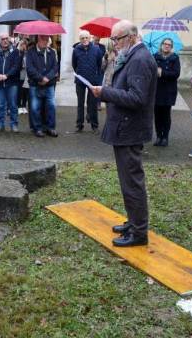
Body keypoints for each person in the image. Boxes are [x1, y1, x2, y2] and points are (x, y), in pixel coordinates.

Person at [90, 20, 157, 247]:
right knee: (127, 181)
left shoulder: (139, 59)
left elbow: (138, 98)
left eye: (117, 39)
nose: (114, 44)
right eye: (113, 39)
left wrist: (106, 93)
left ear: (131, 36)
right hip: (125, 128)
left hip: (130, 129)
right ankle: (134, 222)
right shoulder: (133, 56)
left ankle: (139, 233)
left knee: (132, 183)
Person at [26, 35, 59, 138]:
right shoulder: (30, 52)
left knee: (51, 106)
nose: (46, 42)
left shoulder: (52, 52)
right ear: (38, 40)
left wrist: (47, 78)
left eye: (47, 40)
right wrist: (40, 78)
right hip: (35, 84)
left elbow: (55, 68)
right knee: (35, 107)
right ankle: (38, 128)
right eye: (44, 40)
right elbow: (30, 69)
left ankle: (50, 128)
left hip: (49, 84)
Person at [72, 30, 104, 133]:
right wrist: (79, 72)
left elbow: (99, 65)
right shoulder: (76, 50)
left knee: (93, 103)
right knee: (80, 103)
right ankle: (79, 125)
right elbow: (74, 64)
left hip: (92, 81)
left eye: (86, 38)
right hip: (80, 80)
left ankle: (94, 125)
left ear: (90, 38)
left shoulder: (96, 49)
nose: (85, 40)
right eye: (82, 38)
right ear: (80, 40)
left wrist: (97, 77)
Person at [0, 32, 22, 132]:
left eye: (6, 38)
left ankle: (14, 124)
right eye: (2, 39)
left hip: (12, 83)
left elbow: (17, 67)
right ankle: (0, 124)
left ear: (9, 39)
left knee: (13, 105)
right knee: (0, 105)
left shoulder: (15, 51)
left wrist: (7, 75)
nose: (5, 41)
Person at [153, 38, 181, 147]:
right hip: (157, 90)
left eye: (169, 45)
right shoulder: (155, 56)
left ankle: (165, 137)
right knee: (157, 115)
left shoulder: (175, 58)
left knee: (165, 115)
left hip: (169, 91)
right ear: (161, 45)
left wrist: (162, 72)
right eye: (165, 44)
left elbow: (176, 74)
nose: (167, 46)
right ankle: (158, 136)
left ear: (171, 47)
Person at [17, 39, 30, 116]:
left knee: (25, 91)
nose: (23, 46)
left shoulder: (28, 53)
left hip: (26, 75)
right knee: (20, 91)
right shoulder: (18, 53)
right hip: (20, 75)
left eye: (25, 45)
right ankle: (19, 106)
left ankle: (24, 106)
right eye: (22, 45)